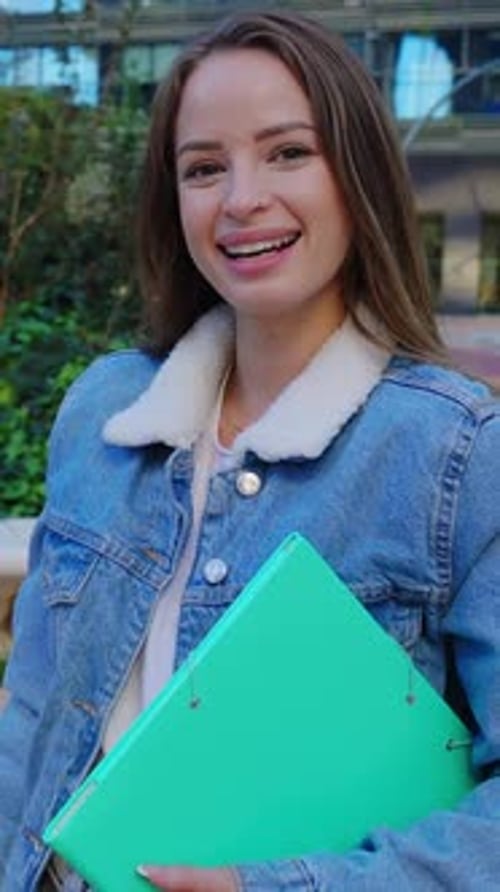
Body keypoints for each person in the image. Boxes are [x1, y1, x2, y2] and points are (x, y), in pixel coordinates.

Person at [1, 10, 499, 891]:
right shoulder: (103, 412)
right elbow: (33, 722)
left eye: (288, 153)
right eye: (203, 168)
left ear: (359, 176)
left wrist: (277, 886)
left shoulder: (457, 455)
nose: (241, 200)